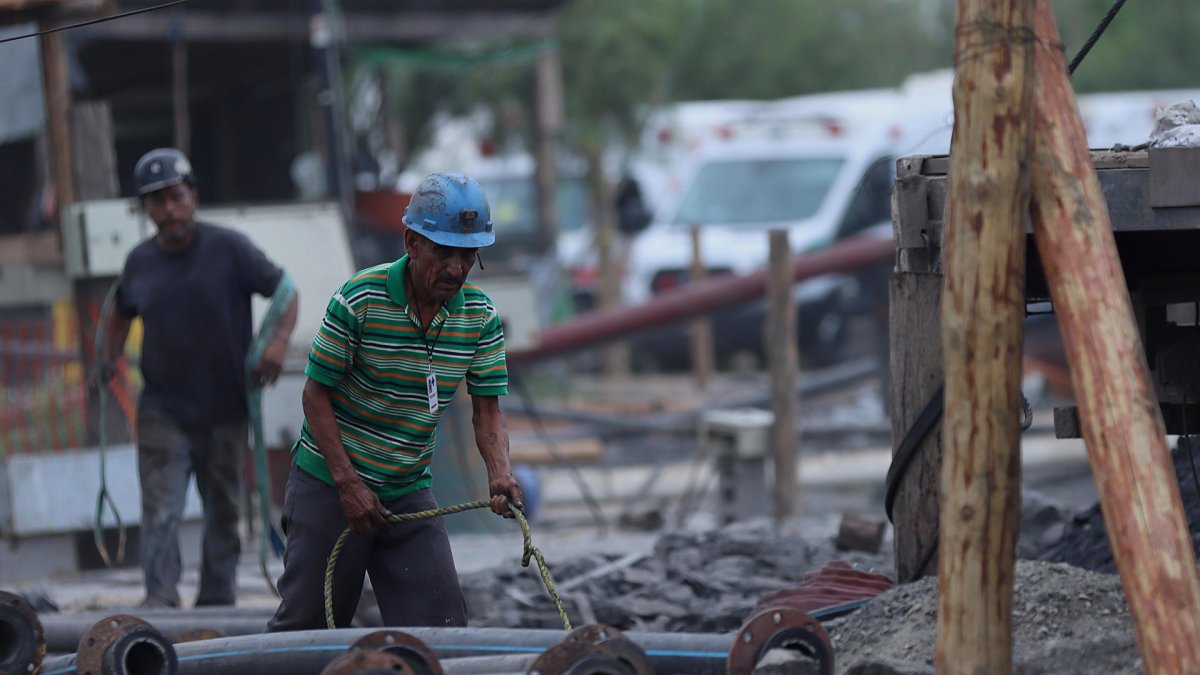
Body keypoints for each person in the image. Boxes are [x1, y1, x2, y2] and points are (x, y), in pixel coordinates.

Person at [267, 172, 523, 630]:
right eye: (444, 252)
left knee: (442, 627)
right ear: (411, 241)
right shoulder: (359, 300)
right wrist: (349, 485)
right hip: (330, 483)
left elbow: (488, 412)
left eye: (468, 256)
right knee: (307, 632)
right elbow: (314, 396)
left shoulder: (480, 317)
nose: (456, 269)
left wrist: (500, 474)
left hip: (407, 488)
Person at [102, 147, 299, 608]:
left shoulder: (229, 248)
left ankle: (216, 602)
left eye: (175, 196)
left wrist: (277, 341)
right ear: (145, 210)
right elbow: (119, 309)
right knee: (161, 508)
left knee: (223, 511)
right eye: (156, 202)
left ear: (193, 195)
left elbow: (285, 289)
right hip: (163, 409)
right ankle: (161, 598)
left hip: (226, 406)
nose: (168, 210)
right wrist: (106, 358)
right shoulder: (139, 263)